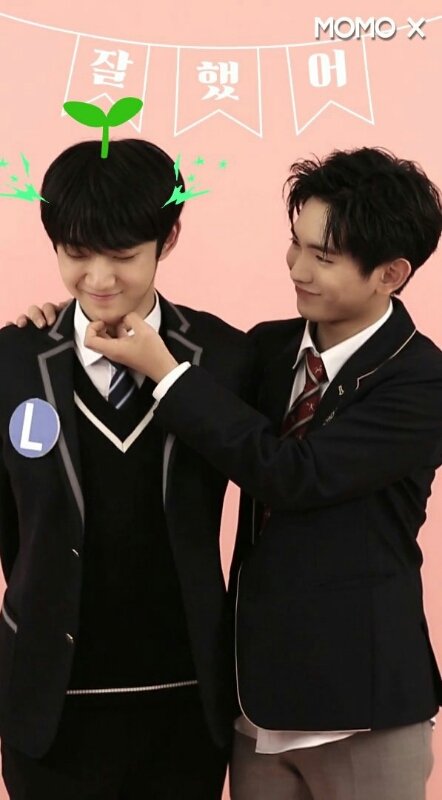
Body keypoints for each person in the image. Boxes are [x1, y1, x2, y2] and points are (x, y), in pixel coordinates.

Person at [32, 146, 441, 800]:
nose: (297, 268)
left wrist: (165, 372)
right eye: (295, 243)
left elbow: (293, 476)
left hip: (363, 704)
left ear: (390, 274)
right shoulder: (267, 350)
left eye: (323, 257)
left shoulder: (421, 381)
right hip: (256, 704)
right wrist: (59, 328)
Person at [0, 138, 256, 799]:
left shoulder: (226, 357)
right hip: (49, 706)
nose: (99, 278)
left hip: (185, 701)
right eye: (76, 253)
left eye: (122, 255)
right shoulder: (13, 360)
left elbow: (266, 472)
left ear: (168, 238)